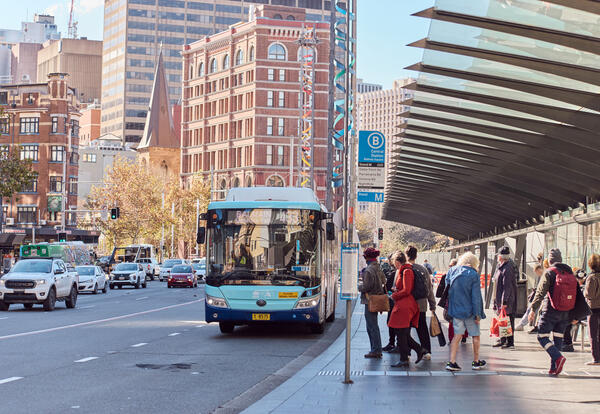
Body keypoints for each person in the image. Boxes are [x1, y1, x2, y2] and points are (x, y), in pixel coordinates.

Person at [528, 248, 577, 376]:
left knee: (542, 336)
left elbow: (540, 292)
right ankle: (554, 367)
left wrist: (533, 309)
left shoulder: (549, 272)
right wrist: (576, 314)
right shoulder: (569, 271)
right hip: (565, 312)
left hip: (551, 310)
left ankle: (558, 357)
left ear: (550, 260)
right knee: (558, 338)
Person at [445, 252, 486, 371]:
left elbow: (448, 289)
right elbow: (476, 296)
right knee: (475, 335)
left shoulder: (452, 271)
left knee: (457, 336)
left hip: (456, 309)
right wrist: (478, 314)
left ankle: (452, 362)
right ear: (474, 263)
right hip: (470, 311)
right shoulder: (473, 274)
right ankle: (476, 361)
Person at [388, 251, 426, 367]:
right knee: (402, 332)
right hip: (403, 303)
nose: (393, 264)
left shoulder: (407, 271)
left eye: (394, 262)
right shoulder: (405, 270)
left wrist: (394, 295)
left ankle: (405, 358)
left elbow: (407, 290)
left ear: (397, 261)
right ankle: (418, 350)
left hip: (405, 304)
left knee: (401, 332)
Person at [406, 245, 436, 359]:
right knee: (422, 327)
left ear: (406, 255)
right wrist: (432, 304)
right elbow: (429, 288)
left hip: (408, 304)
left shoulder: (404, 268)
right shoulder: (423, 269)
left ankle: (407, 353)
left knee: (406, 329)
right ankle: (427, 351)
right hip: (421, 303)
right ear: (416, 256)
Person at [358, 247, 387, 359]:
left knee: (371, 326)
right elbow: (384, 281)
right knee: (374, 325)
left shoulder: (369, 270)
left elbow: (367, 286)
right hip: (377, 298)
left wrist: (359, 287)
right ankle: (376, 349)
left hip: (370, 300)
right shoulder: (378, 268)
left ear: (367, 257)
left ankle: (375, 350)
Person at [492, 246, 517, 349]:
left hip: (506, 299)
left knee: (508, 320)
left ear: (501, 256)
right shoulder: (501, 266)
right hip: (500, 298)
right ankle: (503, 340)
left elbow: (507, 286)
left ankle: (510, 342)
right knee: (503, 319)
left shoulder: (508, 268)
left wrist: (504, 301)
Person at [562, 270, 587, 352]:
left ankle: (567, 343)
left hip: (582, 313)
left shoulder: (583, 287)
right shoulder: (576, 287)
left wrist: (577, 317)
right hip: (579, 312)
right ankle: (565, 342)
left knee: (566, 320)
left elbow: (582, 304)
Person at [515, 263, 544, 331]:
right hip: (542, 297)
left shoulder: (545, 275)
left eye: (537, 272)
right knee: (533, 309)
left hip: (541, 297)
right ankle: (525, 324)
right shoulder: (544, 275)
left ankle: (522, 324)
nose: (537, 274)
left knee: (532, 309)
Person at [584, 254, 600, 365]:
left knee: (593, 334)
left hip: (593, 308)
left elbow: (589, 294)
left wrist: (584, 292)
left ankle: (596, 358)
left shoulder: (592, 277)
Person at [382, 254, 399, 353]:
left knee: (392, 323)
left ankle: (393, 343)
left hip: (394, 301)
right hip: (394, 300)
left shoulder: (395, 273)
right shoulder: (394, 272)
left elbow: (388, 287)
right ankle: (393, 342)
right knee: (391, 322)